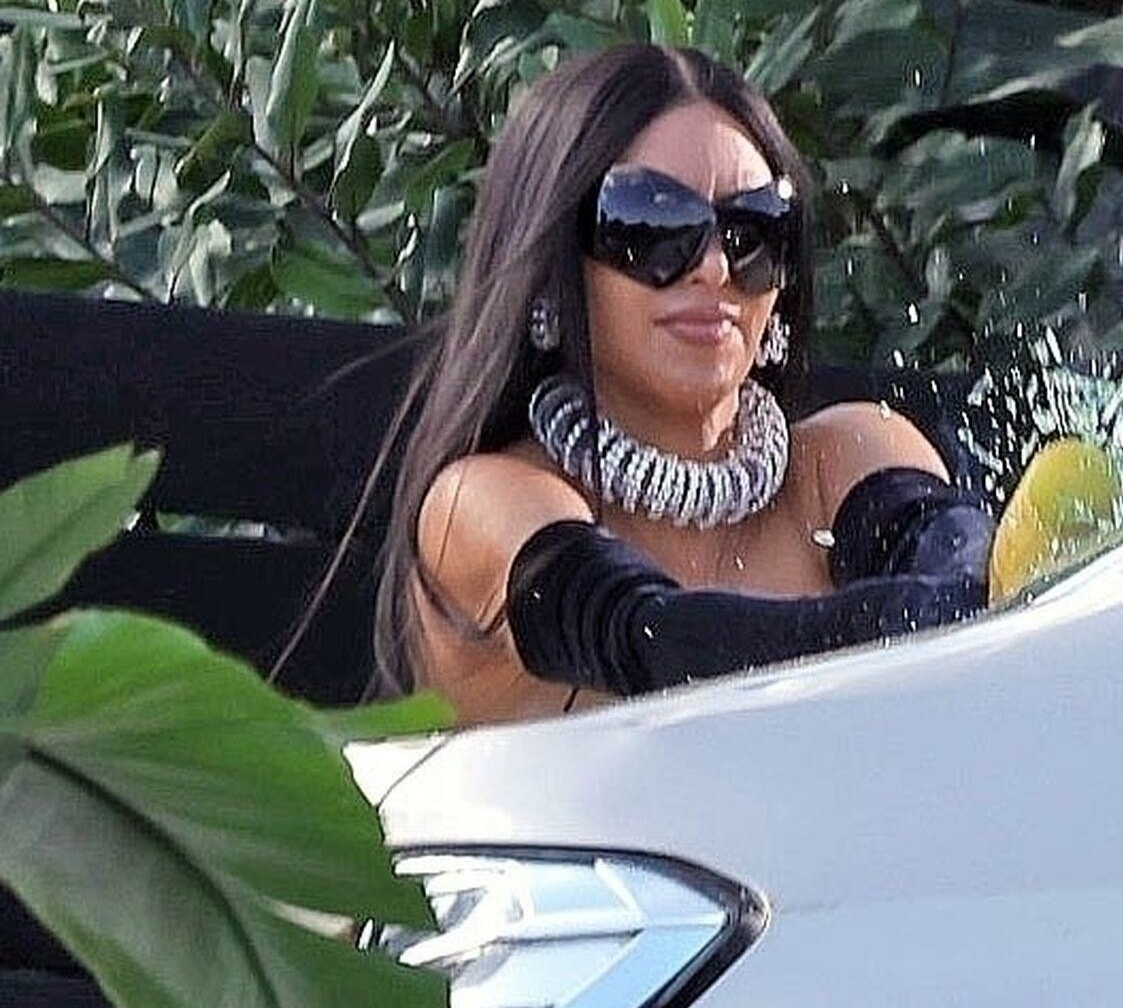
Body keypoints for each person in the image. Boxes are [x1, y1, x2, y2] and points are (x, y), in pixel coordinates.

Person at [374, 42, 1006, 725]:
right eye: (651, 223)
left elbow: (976, 570)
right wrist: (957, 611)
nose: (714, 267)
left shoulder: (849, 455)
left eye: (754, 227)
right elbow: (657, 642)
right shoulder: (482, 501)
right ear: (555, 262)